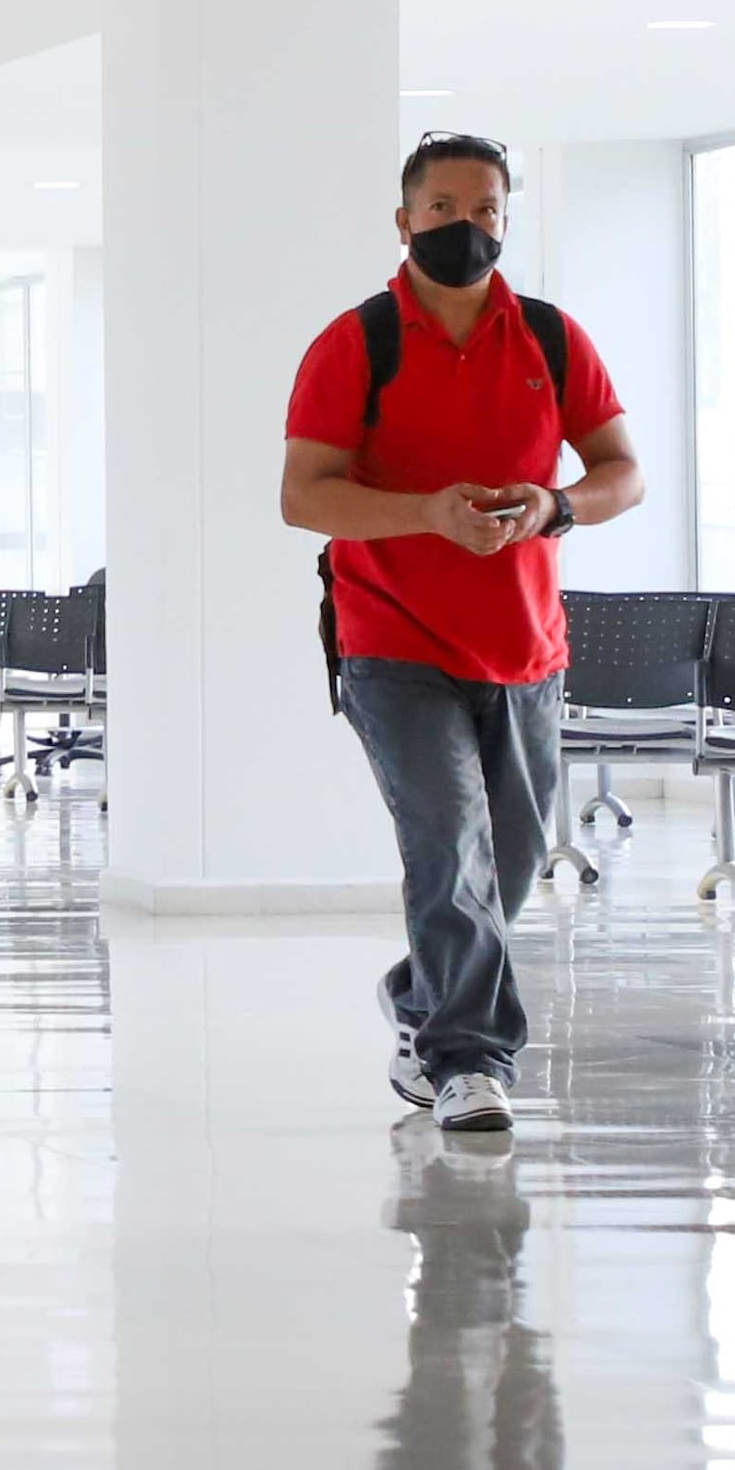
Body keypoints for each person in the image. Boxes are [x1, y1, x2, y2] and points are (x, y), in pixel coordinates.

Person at [279, 132, 643, 1134]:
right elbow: (302, 495)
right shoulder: (357, 343)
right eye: (442, 209)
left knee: (510, 860)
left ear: (504, 220)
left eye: (484, 210)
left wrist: (556, 505)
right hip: (391, 643)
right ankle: (470, 1064)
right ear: (404, 222)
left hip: (523, 646)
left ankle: (419, 994)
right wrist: (425, 516)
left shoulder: (550, 338)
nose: (464, 226)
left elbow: (622, 471)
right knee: (448, 844)